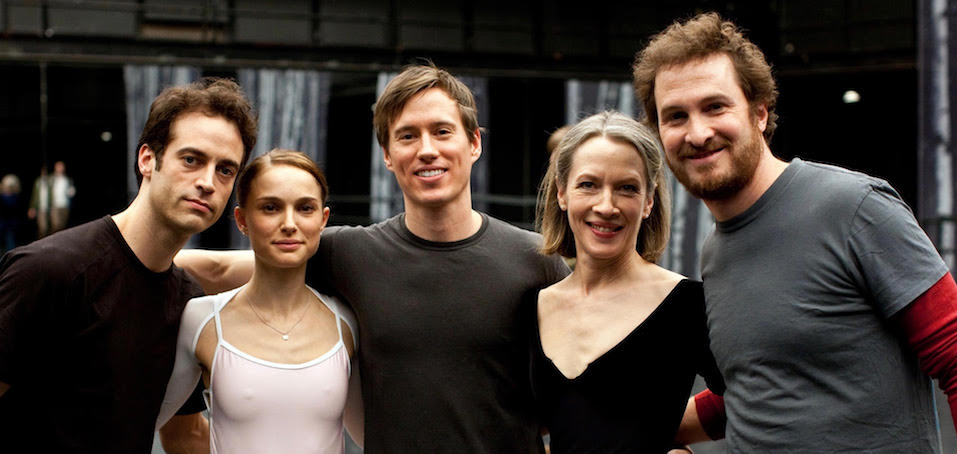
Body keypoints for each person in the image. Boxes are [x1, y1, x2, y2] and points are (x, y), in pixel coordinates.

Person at [633, 12, 957, 452]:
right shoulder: (716, 252)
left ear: (759, 112)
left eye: (715, 106)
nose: (698, 132)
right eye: (675, 116)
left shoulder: (853, 206)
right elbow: (755, 390)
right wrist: (617, 427)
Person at [175, 64, 569, 453]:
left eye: (442, 131)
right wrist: (136, 262)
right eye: (407, 136)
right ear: (387, 155)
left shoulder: (535, 260)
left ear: (474, 144)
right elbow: (223, 267)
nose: (427, 149)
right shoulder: (348, 253)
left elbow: (574, 403)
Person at [0, 77, 257, 452]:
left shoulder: (187, 300)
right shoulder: (50, 270)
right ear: (147, 159)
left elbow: (186, 435)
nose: (207, 182)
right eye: (191, 159)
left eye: (225, 170)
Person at [530, 111, 724, 453]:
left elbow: (756, 397)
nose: (606, 206)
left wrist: (672, 441)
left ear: (649, 201)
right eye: (588, 184)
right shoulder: (535, 305)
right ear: (562, 194)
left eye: (627, 188)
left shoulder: (689, 305)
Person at [157, 149, 363, 453]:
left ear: (323, 219)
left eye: (305, 208)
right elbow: (146, 423)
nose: (289, 223)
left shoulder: (346, 321)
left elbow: (372, 435)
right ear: (242, 219)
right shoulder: (201, 319)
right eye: (270, 208)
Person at [48, 160, 76, 234]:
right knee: (56, 225)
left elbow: (70, 191)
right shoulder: (51, 179)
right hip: (55, 205)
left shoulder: (67, 179)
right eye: (59, 166)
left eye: (62, 166)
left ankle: (59, 243)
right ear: (55, 167)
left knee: (62, 226)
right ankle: (53, 241)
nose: (60, 168)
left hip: (65, 205)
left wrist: (71, 192)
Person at [26, 165, 49, 238]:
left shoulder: (51, 181)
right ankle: (41, 243)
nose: (44, 173)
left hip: (50, 208)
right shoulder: (38, 181)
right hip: (40, 208)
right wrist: (32, 207)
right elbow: (34, 195)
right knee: (43, 228)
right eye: (43, 171)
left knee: (51, 228)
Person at [0, 174, 21, 253]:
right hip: (3, 223)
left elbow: (12, 208)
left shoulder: (14, 197)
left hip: (11, 224)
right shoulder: (2, 196)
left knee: (10, 243)